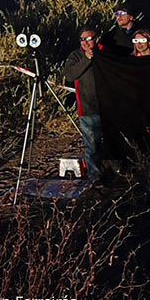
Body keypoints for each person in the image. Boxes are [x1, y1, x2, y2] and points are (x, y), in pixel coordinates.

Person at [63, 27, 103, 183]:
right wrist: (86, 59)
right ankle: (95, 176)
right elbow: (70, 74)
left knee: (111, 142)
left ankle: (115, 170)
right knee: (91, 145)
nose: (86, 43)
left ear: (96, 39)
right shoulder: (75, 56)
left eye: (89, 39)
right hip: (87, 107)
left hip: (107, 106)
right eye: (82, 39)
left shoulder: (105, 53)